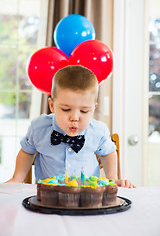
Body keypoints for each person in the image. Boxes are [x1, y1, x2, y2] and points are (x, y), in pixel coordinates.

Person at [7, 65, 135, 188]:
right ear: (52, 105)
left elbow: (108, 153)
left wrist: (112, 179)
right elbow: (26, 151)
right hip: (48, 196)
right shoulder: (39, 128)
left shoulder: (98, 131)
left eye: (84, 111)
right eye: (66, 109)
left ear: (93, 108)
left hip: (87, 197)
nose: (75, 117)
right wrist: (17, 178)